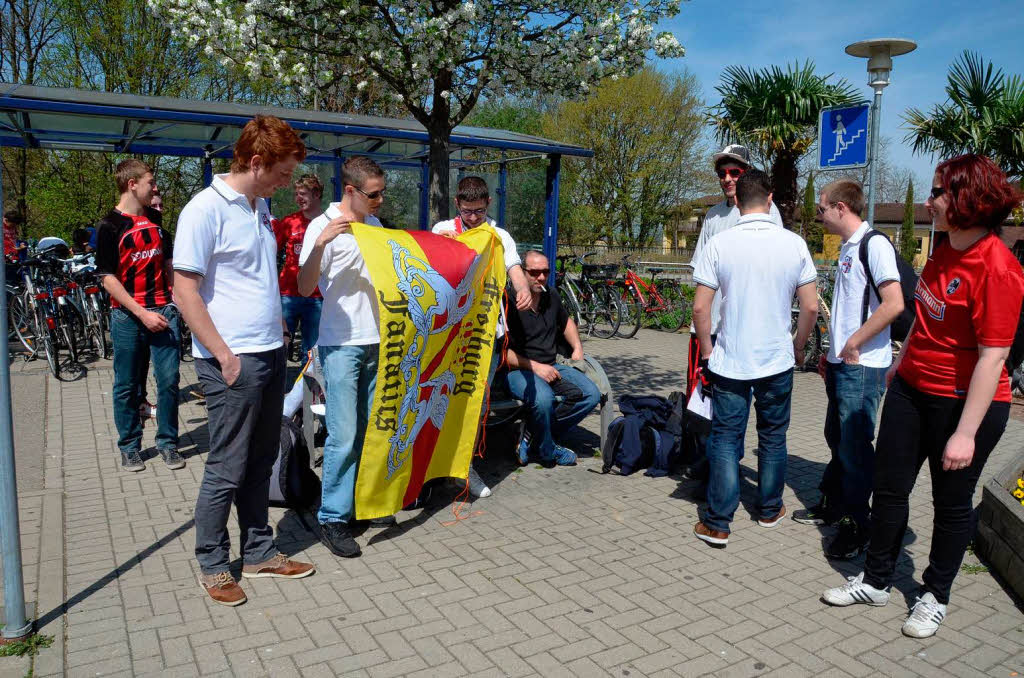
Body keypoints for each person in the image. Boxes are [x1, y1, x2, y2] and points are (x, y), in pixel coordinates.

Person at [822, 154, 1024, 639]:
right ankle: (875, 581)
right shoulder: (942, 247)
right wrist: (901, 361)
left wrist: (965, 434)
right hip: (912, 389)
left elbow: (993, 358)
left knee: (951, 504)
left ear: (968, 199)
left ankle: (935, 595)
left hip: (964, 404)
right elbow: (924, 316)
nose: (929, 201)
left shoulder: (998, 268)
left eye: (938, 193)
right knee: (890, 489)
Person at [174, 115, 316, 606]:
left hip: (269, 352)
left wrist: (275, 327)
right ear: (256, 162)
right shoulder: (204, 210)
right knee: (227, 466)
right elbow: (184, 291)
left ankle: (258, 552)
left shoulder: (257, 207)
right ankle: (213, 563)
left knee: (260, 459)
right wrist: (222, 355)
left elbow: (252, 279)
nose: (287, 183)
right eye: (282, 173)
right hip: (232, 361)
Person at [691, 169, 818, 548]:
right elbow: (810, 307)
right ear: (770, 198)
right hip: (776, 360)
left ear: (738, 200)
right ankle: (769, 509)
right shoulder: (793, 244)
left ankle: (718, 523)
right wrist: (798, 346)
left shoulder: (720, 243)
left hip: (730, 360)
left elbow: (700, 308)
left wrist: (709, 351)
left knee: (726, 439)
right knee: (773, 436)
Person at [791, 180, 904, 560]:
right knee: (837, 437)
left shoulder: (876, 245)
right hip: (843, 364)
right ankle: (836, 503)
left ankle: (859, 524)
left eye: (822, 208)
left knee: (855, 448)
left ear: (841, 207)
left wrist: (853, 343)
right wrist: (833, 353)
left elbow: (893, 304)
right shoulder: (848, 247)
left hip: (863, 366)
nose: (819, 215)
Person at [297, 156, 388, 558]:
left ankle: (357, 504)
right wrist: (320, 246)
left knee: (368, 430)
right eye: (374, 194)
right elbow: (303, 287)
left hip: (378, 341)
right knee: (343, 433)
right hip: (341, 344)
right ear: (350, 191)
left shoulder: (375, 224)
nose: (380, 200)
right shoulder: (323, 226)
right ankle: (331, 517)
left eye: (382, 192)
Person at [684, 145, 784, 482]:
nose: (728, 178)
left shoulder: (768, 213)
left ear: (746, 174)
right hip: (712, 329)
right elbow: (700, 272)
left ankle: (731, 476)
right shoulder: (713, 216)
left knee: (747, 412)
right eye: (722, 173)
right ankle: (716, 470)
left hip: (747, 331)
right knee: (709, 405)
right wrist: (699, 327)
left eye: (735, 172)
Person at [432, 176, 531, 494]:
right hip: (448, 334)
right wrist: (444, 247)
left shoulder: (498, 236)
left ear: (488, 204)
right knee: (438, 399)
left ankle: (464, 468)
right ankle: (431, 469)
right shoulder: (442, 229)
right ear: (457, 204)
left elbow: (514, 268)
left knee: (473, 402)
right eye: (466, 211)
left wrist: (523, 288)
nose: (472, 217)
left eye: (477, 211)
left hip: (483, 337)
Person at [94, 159, 183, 473]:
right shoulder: (108, 226)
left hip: (164, 312)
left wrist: (176, 301)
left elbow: (168, 263)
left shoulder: (156, 219)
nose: (155, 187)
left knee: (170, 380)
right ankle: (130, 447)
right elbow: (107, 278)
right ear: (132, 184)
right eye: (150, 181)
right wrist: (141, 313)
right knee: (127, 386)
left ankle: (168, 443)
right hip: (128, 317)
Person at [502, 250, 601, 466]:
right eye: (534, 272)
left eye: (545, 272)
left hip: (552, 364)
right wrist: (536, 367)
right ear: (522, 272)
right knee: (544, 399)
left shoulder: (551, 295)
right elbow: (501, 352)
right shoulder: (508, 301)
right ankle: (547, 451)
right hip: (518, 370)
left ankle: (533, 433)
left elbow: (566, 322)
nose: (541, 277)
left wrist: (577, 348)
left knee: (590, 394)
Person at [274, 174, 326, 357]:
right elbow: (269, 250)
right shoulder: (289, 222)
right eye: (296, 194)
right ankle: (277, 384)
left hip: (316, 296)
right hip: (288, 294)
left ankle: (309, 385)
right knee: (280, 343)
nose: (298, 198)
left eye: (303, 194)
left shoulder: (328, 223)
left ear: (317, 194)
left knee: (312, 348)